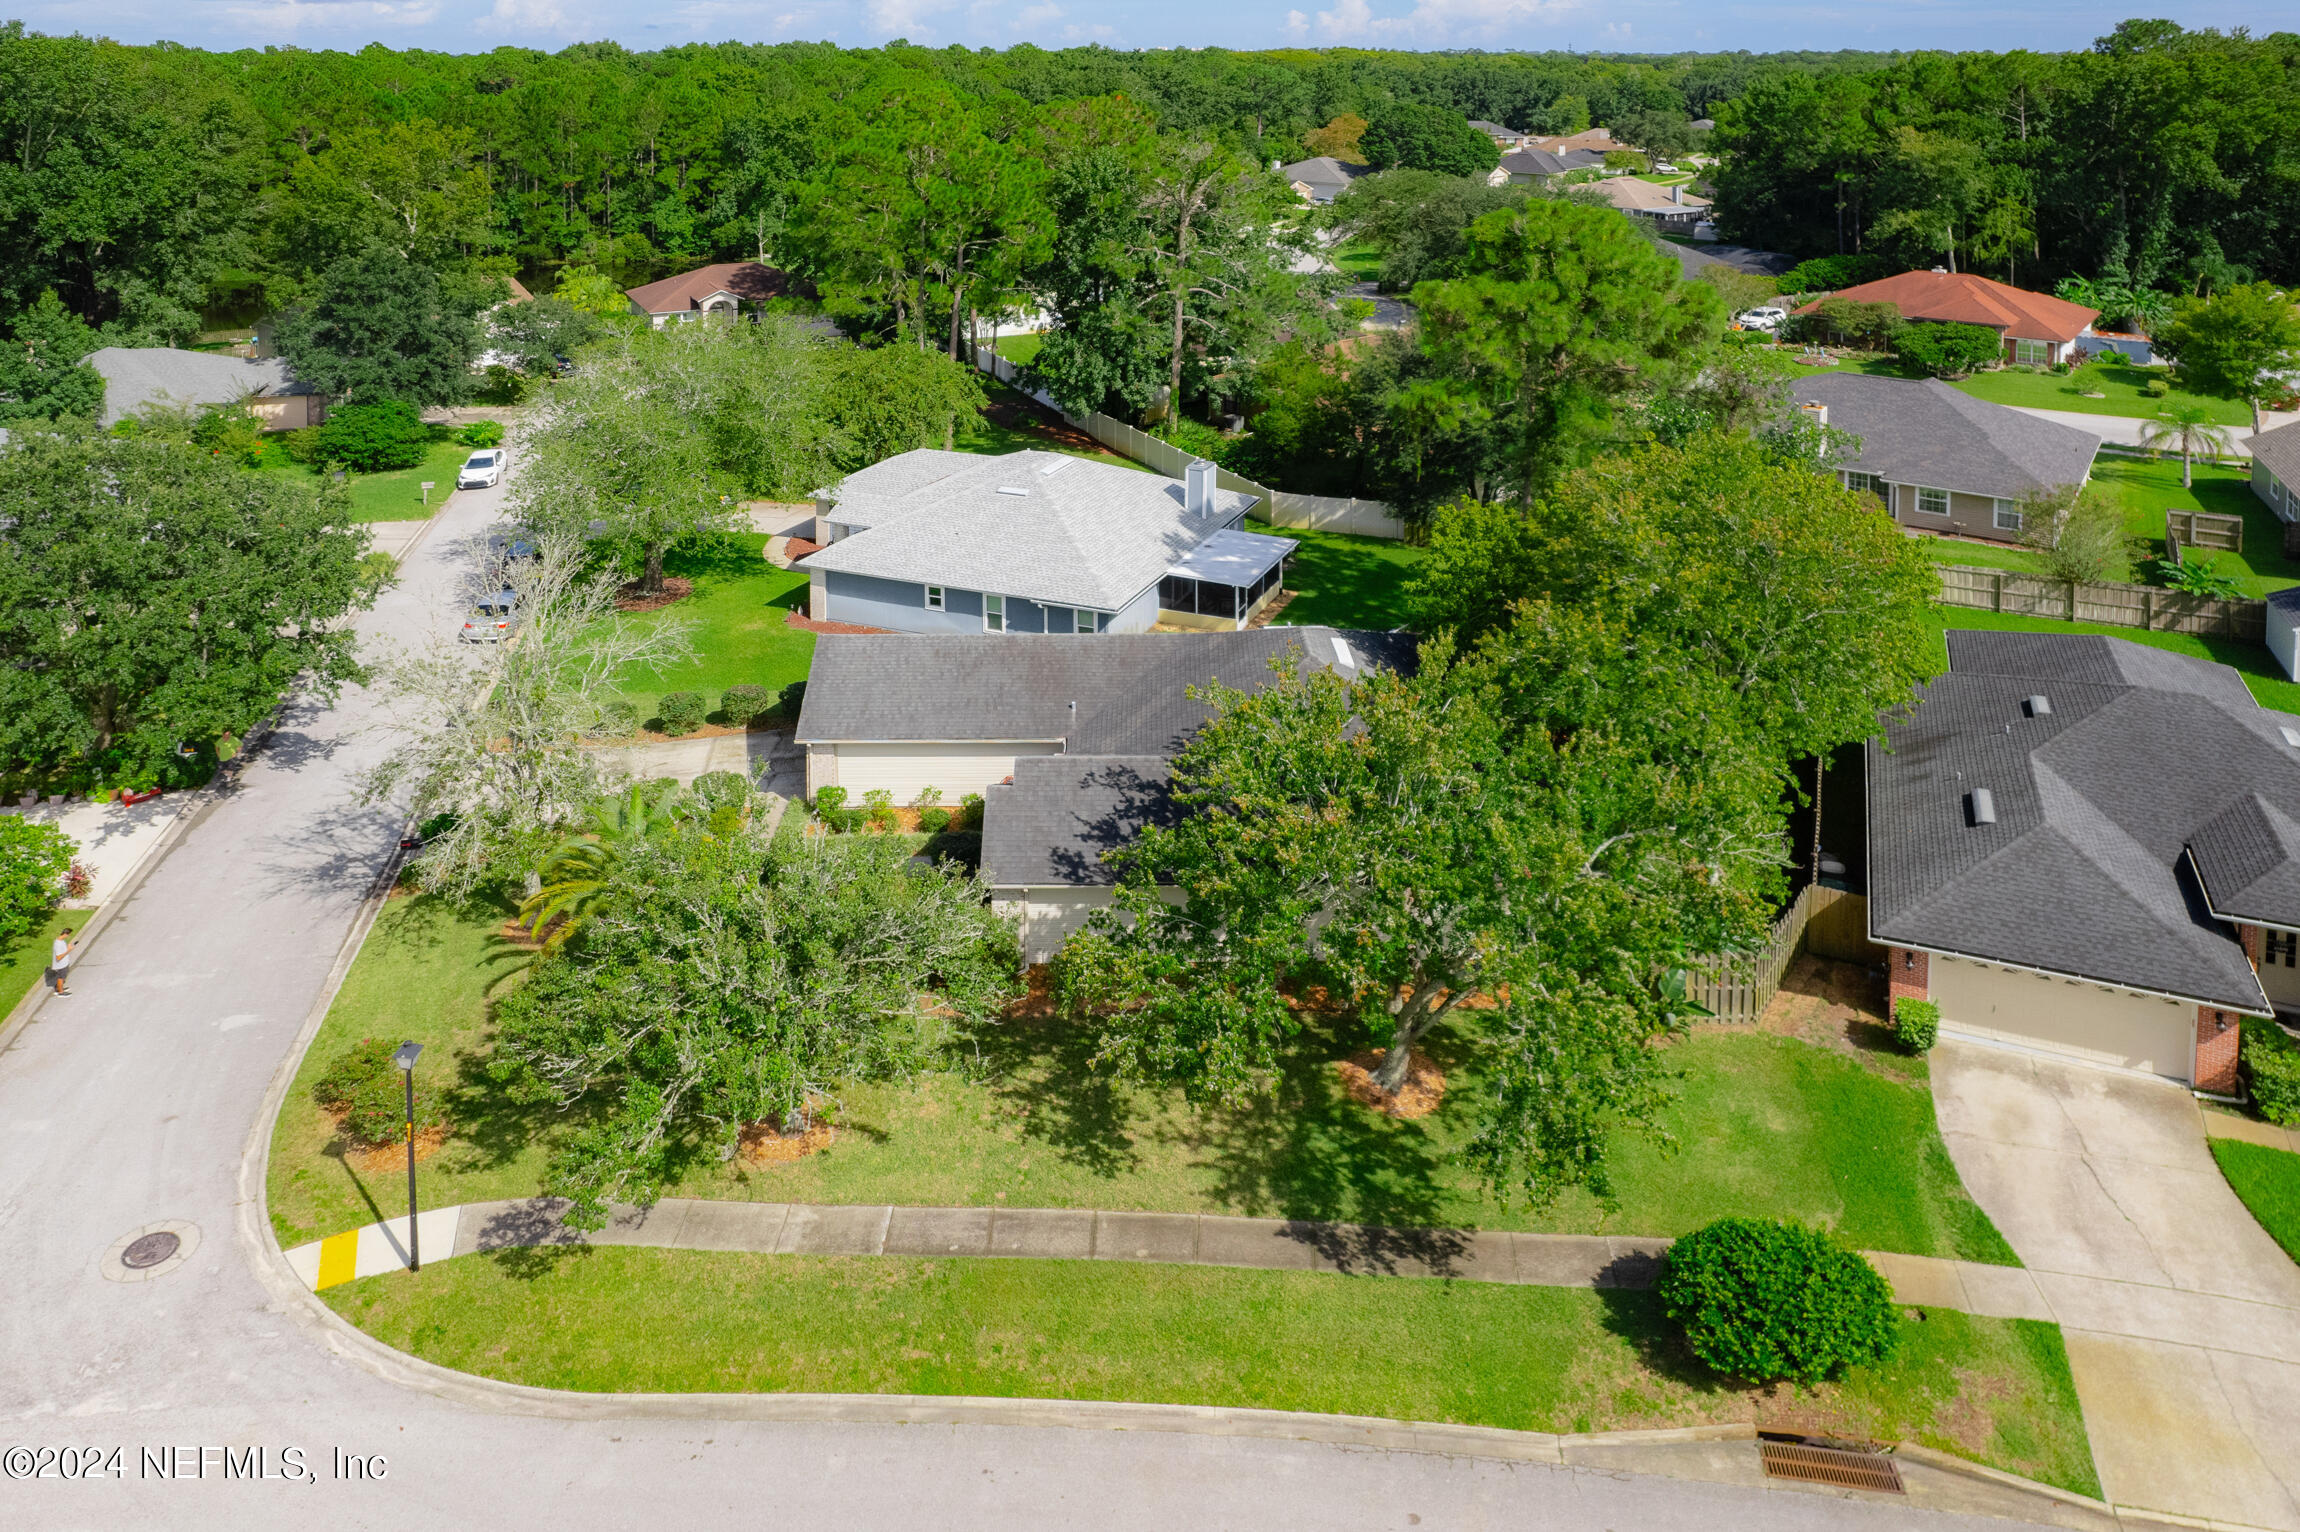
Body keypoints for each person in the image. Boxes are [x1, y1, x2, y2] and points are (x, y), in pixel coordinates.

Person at [49, 927, 74, 996]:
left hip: (64, 963)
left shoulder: (61, 940)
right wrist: (68, 950)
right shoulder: (58, 944)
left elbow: (62, 950)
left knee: (62, 977)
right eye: (68, 934)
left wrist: (67, 947)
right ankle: (60, 992)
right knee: (61, 978)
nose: (69, 936)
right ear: (65, 934)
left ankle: (60, 988)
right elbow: (58, 957)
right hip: (61, 965)